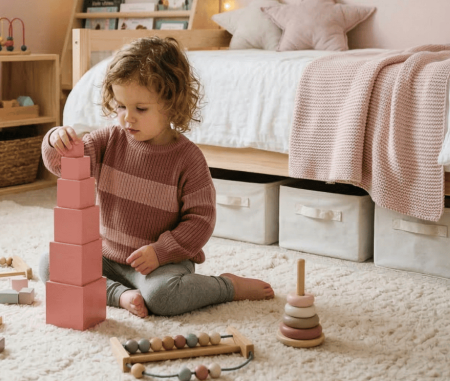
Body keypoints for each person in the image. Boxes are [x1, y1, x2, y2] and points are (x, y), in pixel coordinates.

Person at [38, 36, 274, 318]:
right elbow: (62, 165)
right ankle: (119, 295)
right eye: (121, 106)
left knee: (163, 297)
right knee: (50, 264)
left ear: (172, 104)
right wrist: (56, 139)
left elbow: (201, 221)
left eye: (141, 109)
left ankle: (227, 286)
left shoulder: (188, 159)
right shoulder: (108, 140)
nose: (127, 118)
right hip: (108, 257)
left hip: (162, 263)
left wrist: (162, 251)